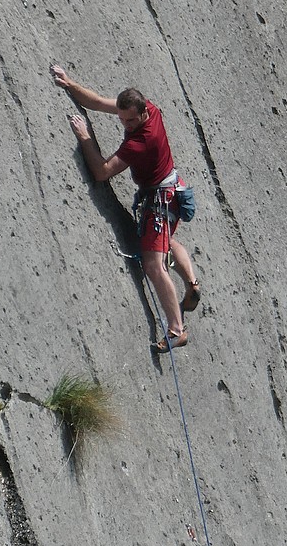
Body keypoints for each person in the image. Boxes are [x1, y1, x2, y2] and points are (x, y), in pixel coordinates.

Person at [51, 64, 200, 352]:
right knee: (166, 244)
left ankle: (176, 329)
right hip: (172, 190)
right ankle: (192, 284)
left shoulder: (140, 142)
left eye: (130, 122)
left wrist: (85, 138)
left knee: (154, 265)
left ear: (142, 114)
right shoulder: (150, 110)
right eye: (122, 120)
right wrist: (70, 83)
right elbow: (96, 103)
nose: (125, 126)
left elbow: (102, 171)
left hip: (159, 202)